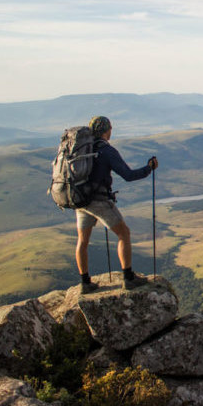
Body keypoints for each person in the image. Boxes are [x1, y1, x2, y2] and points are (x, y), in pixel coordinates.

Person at [75, 116, 158, 293]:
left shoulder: (82, 150)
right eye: (110, 128)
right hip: (99, 201)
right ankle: (128, 278)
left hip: (81, 200)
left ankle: (85, 283)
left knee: (83, 240)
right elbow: (128, 175)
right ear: (107, 130)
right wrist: (148, 168)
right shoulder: (107, 151)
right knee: (124, 233)